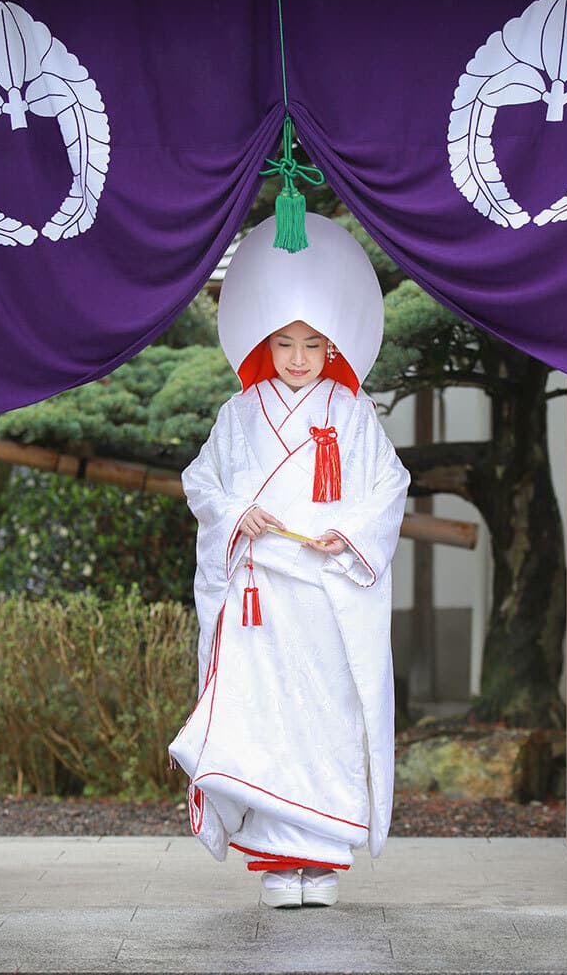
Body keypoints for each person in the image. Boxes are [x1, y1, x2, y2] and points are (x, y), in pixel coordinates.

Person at [168, 213, 410, 908]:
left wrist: (354, 534)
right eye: (284, 343)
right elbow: (201, 484)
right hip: (259, 600)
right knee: (265, 720)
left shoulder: (353, 414)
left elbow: (390, 486)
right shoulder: (238, 415)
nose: (298, 357)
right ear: (263, 343)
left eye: (311, 344)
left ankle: (323, 862)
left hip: (326, 594)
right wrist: (236, 513)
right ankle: (278, 864)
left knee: (326, 716)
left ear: (332, 345)